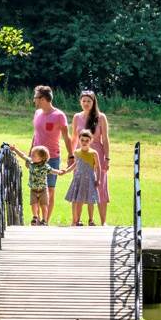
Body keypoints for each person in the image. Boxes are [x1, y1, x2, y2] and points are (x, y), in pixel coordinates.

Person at [30, 85, 72, 220]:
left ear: (43, 99)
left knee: (50, 191)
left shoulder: (59, 116)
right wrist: (30, 153)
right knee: (36, 189)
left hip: (52, 158)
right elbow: (35, 134)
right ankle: (36, 218)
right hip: (36, 158)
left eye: (36, 98)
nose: (34, 100)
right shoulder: (37, 113)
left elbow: (66, 137)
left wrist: (71, 155)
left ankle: (45, 221)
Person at [72, 90, 110, 224]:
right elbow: (74, 138)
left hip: (97, 154)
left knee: (100, 186)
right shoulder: (77, 117)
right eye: (84, 101)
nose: (86, 103)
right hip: (81, 155)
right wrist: (71, 156)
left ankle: (103, 221)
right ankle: (77, 220)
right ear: (80, 102)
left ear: (93, 102)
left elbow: (105, 139)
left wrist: (107, 158)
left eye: (89, 101)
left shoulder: (101, 117)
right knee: (80, 185)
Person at [55, 129, 103, 226]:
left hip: (90, 179)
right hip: (78, 179)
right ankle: (78, 220)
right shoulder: (76, 152)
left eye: (87, 140)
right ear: (79, 140)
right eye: (82, 140)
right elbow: (75, 165)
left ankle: (91, 219)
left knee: (90, 200)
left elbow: (98, 167)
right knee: (78, 200)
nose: (84, 142)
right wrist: (66, 170)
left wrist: (98, 179)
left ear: (91, 141)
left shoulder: (93, 153)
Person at [23, 146, 56, 225]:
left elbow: (53, 171)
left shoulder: (45, 166)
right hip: (33, 190)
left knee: (44, 206)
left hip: (43, 190)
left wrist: (60, 172)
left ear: (41, 158)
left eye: (34, 155)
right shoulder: (31, 163)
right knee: (33, 204)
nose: (31, 156)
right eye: (31, 155)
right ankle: (35, 217)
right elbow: (23, 156)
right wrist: (15, 150)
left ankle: (44, 220)